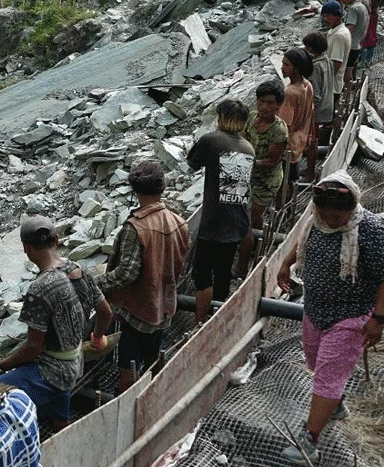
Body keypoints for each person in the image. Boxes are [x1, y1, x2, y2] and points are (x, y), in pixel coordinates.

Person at [276, 172, 384, 463]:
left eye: (337, 214)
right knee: (316, 362)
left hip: (350, 316)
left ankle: (310, 441)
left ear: (351, 208)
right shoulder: (317, 221)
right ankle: (335, 403)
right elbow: (301, 243)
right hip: (316, 310)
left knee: (328, 375)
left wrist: (378, 318)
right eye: (325, 213)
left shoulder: (369, 229)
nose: (331, 219)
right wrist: (285, 265)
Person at [0, 216, 108, 429]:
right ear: (56, 240)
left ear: (26, 248)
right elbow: (105, 313)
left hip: (54, 370)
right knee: (56, 402)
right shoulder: (79, 270)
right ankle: (61, 425)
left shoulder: (40, 288)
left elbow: (34, 347)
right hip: (76, 361)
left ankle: (12, 436)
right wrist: (97, 337)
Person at [93, 160, 189, 393]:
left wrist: (96, 283)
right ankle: (158, 392)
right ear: (162, 187)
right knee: (155, 355)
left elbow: (127, 273)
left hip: (136, 311)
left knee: (128, 363)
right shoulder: (178, 222)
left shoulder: (135, 228)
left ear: (135, 191)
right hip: (164, 304)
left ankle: (125, 403)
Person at [186, 99, 255, 327]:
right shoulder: (248, 148)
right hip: (237, 220)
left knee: (202, 274)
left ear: (222, 118)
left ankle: (198, 324)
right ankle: (218, 318)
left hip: (213, 221)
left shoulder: (211, 140)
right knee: (224, 271)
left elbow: (193, 162)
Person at [237, 80, 289, 275]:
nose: (265, 107)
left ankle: (253, 246)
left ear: (278, 105)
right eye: (261, 101)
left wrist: (247, 161)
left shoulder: (278, 130)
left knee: (253, 216)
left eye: (270, 103)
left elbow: (273, 161)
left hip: (265, 180)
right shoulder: (251, 119)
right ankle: (248, 242)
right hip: (246, 173)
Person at [279, 49, 315, 186]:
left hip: (288, 146)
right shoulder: (307, 85)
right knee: (291, 181)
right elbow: (311, 113)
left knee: (284, 184)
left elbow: (284, 124)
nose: (282, 67)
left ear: (297, 68)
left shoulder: (289, 92)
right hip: (300, 140)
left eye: (286, 64)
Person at [302, 31, 336, 150]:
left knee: (312, 138)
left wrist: (308, 112)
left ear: (310, 48)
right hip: (328, 104)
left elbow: (315, 93)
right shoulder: (327, 60)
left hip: (318, 110)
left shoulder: (315, 66)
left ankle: (311, 158)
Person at [335, 0, 368, 86]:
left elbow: (350, 28)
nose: (342, 0)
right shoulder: (361, 6)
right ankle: (349, 89)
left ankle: (346, 90)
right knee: (350, 68)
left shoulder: (353, 9)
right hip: (357, 43)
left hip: (351, 45)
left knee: (346, 71)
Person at [322, 0, 351, 112]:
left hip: (332, 85)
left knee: (328, 116)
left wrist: (324, 82)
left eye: (328, 16)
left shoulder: (338, 36)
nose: (325, 20)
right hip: (334, 83)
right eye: (324, 16)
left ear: (337, 16)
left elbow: (336, 63)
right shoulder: (341, 31)